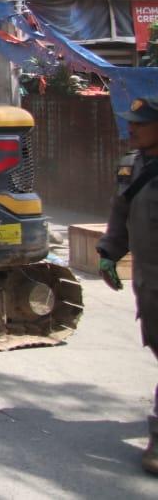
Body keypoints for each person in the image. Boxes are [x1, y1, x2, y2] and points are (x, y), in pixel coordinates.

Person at [98, 95, 158, 475]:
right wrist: (108, 252)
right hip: (149, 281)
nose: (131, 128)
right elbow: (121, 214)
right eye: (130, 122)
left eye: (141, 122)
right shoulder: (132, 168)